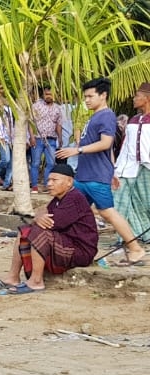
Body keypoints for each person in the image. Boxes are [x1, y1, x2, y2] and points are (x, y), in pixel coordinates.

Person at [56, 76, 146, 265]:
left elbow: (106, 143)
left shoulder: (106, 116)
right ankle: (68, 249)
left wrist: (77, 150)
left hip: (95, 177)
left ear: (103, 95)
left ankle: (135, 249)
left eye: (90, 96)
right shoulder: (96, 116)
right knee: (72, 210)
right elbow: (109, 150)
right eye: (85, 97)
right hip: (86, 175)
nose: (87, 100)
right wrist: (112, 169)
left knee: (107, 213)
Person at [0, 163, 98, 293]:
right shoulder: (58, 199)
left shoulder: (74, 198)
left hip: (80, 251)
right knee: (24, 231)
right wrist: (38, 217)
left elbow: (50, 224)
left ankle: (36, 281)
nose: (49, 183)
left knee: (39, 231)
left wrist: (38, 218)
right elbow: (42, 212)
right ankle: (13, 277)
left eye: (54, 180)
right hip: (66, 243)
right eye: (48, 180)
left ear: (69, 182)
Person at [113, 82, 150, 245]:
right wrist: (117, 169)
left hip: (147, 167)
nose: (134, 99)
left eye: (137, 96)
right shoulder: (133, 120)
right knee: (124, 202)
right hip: (130, 168)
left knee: (146, 204)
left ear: (146, 98)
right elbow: (125, 147)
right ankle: (126, 236)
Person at [29, 86, 63, 192]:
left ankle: (46, 185)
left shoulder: (58, 108)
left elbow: (58, 124)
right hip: (38, 139)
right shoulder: (36, 106)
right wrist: (31, 137)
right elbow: (30, 122)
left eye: (50, 94)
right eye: (46, 94)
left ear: (54, 95)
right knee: (35, 163)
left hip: (51, 139)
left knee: (51, 163)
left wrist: (60, 138)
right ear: (43, 95)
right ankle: (34, 186)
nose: (48, 96)